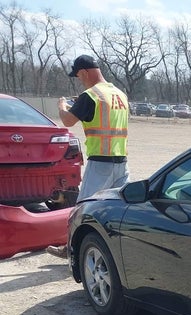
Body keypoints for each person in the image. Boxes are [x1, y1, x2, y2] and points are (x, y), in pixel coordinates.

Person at [48, 55, 129, 257]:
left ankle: (71, 250)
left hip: (100, 163)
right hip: (121, 162)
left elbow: (68, 121)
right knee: (116, 209)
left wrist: (62, 106)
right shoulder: (119, 94)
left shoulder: (91, 95)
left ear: (84, 72)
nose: (80, 80)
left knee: (82, 211)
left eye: (78, 76)